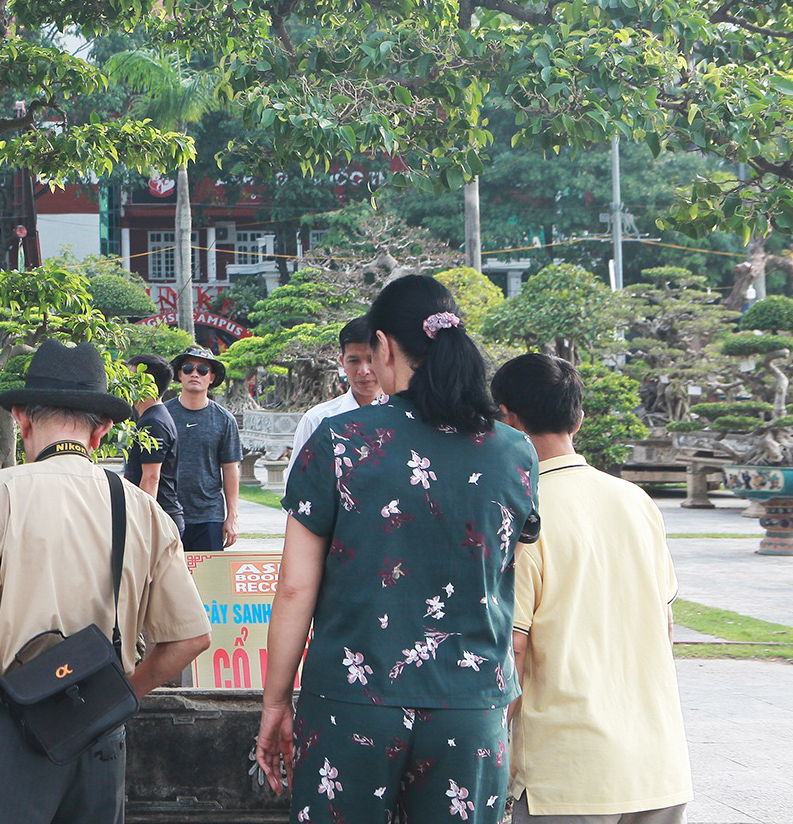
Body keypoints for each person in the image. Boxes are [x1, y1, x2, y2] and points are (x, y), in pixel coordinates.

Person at [256, 274, 540, 824]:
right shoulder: (514, 452)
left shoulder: (340, 441)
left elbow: (295, 586)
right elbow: (504, 568)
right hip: (470, 704)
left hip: (351, 704)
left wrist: (274, 702)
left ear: (384, 346)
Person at [0, 340, 211, 824]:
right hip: (97, 739)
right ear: (100, 432)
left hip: (5, 730)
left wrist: (3, 680)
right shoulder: (140, 509)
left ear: (22, 418)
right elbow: (190, 638)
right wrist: (118, 695)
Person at [492, 352, 691, 824]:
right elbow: (663, 623)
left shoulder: (523, 513)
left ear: (505, 418)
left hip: (567, 774)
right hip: (658, 766)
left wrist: (491, 748)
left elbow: (512, 651)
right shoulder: (637, 502)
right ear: (579, 417)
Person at [164, 345, 241, 551]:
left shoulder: (224, 420)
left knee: (209, 581)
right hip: (167, 512)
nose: (194, 374)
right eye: (188, 369)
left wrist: (232, 516)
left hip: (209, 515)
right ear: (179, 375)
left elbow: (230, 468)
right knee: (164, 582)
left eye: (202, 370)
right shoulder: (161, 416)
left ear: (212, 377)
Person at [288, 316, 384, 464]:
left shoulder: (406, 417)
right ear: (342, 363)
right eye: (354, 361)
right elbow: (297, 485)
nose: (364, 371)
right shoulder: (317, 421)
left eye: (371, 359)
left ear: (386, 359)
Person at [121, 353, 185, 535]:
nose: (127, 384)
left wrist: (142, 525)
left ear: (147, 385)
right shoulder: (153, 417)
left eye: (132, 379)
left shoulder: (154, 422)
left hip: (158, 520)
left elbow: (151, 478)